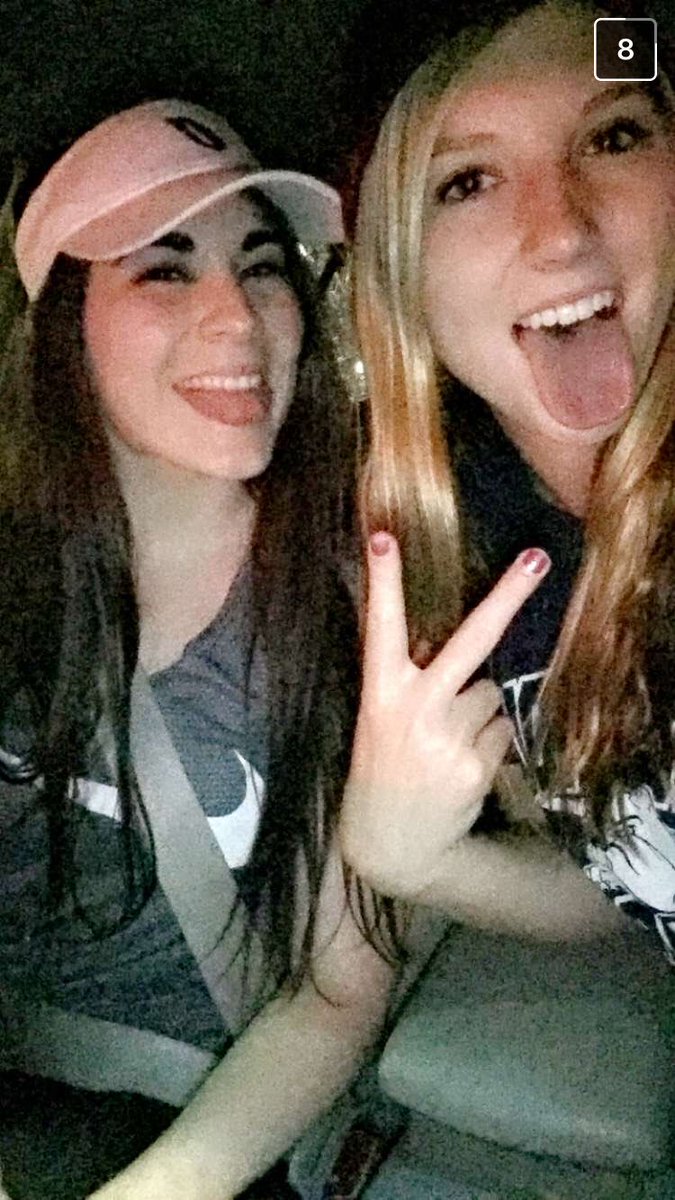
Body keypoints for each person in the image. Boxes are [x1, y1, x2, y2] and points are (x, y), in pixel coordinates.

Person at [0, 99, 392, 1200]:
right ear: (66, 329)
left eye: (262, 267)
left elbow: (338, 994)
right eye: (164, 271)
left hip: (207, 1132)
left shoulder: (361, 594)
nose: (237, 317)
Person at [341, 0, 675, 961]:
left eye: (613, 137)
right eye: (467, 181)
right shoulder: (450, 541)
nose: (560, 231)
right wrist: (409, 861)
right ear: (397, 271)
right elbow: (631, 878)